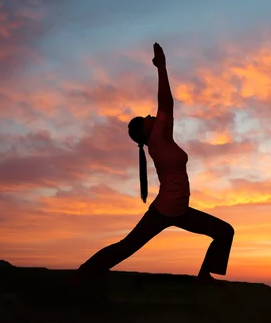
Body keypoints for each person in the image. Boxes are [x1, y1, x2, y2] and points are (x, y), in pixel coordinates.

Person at [75, 43, 234, 284]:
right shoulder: (157, 140)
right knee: (126, 247)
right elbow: (166, 102)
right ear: (145, 132)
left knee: (224, 232)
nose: (151, 116)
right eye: (146, 119)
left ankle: (205, 276)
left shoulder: (163, 141)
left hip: (178, 211)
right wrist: (162, 67)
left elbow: (164, 107)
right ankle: (85, 273)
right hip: (164, 211)